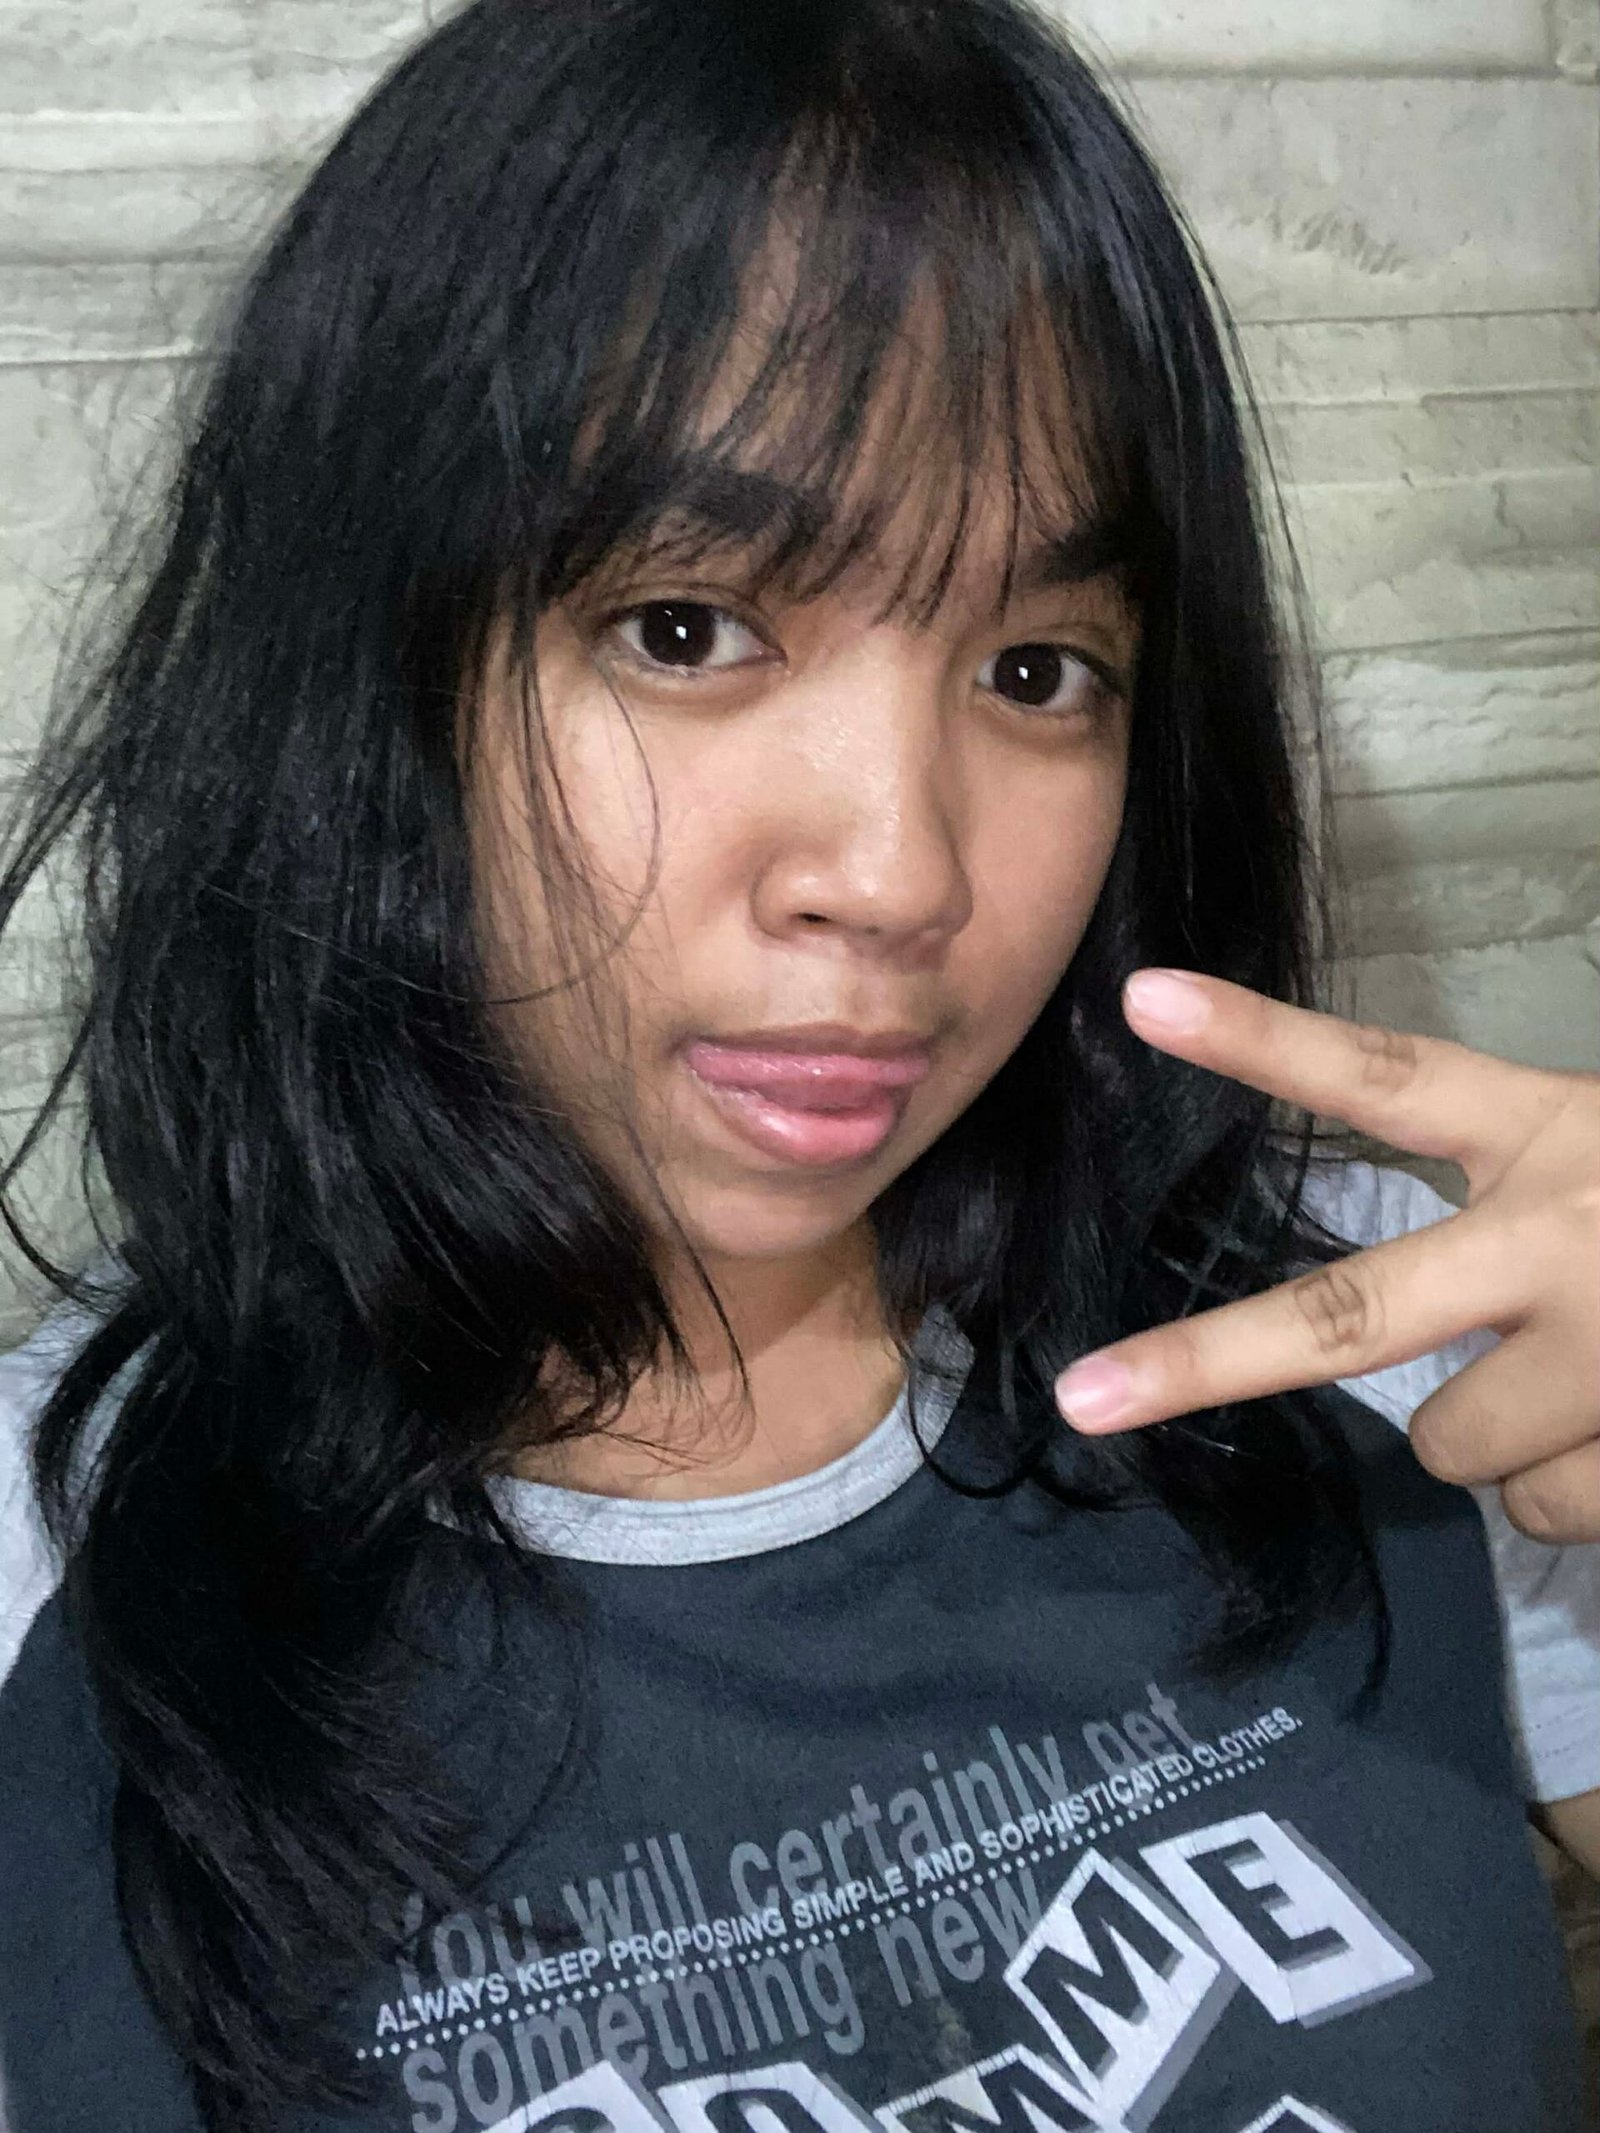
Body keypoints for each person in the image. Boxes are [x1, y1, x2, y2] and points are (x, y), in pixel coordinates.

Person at [0, 0, 1597, 2127]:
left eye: (1037, 668)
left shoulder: (1408, 1346)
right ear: (375, 670)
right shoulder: (48, 1556)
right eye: (686, 628)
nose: (899, 871)